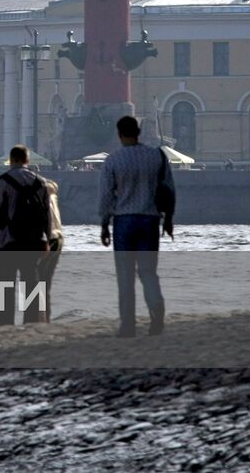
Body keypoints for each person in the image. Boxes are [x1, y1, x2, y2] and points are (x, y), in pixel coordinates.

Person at [99, 115, 175, 338]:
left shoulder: (113, 160)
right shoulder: (156, 157)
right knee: (148, 272)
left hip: (123, 221)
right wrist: (168, 219)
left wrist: (104, 224)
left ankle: (128, 325)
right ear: (139, 132)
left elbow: (105, 196)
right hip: (150, 220)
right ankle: (157, 312)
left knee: (125, 275)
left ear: (119, 134)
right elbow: (169, 190)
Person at [0, 145, 53, 326]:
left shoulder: (2, 182)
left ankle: (5, 324)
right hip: (34, 242)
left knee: (6, 285)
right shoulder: (41, 182)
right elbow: (47, 215)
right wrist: (47, 241)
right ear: (28, 160)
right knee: (32, 282)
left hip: (8, 242)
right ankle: (31, 322)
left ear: (11, 160)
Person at [32, 175, 65, 323]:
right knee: (45, 282)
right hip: (58, 239)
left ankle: (39, 318)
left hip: (45, 239)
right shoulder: (51, 194)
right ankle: (46, 319)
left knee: (35, 281)